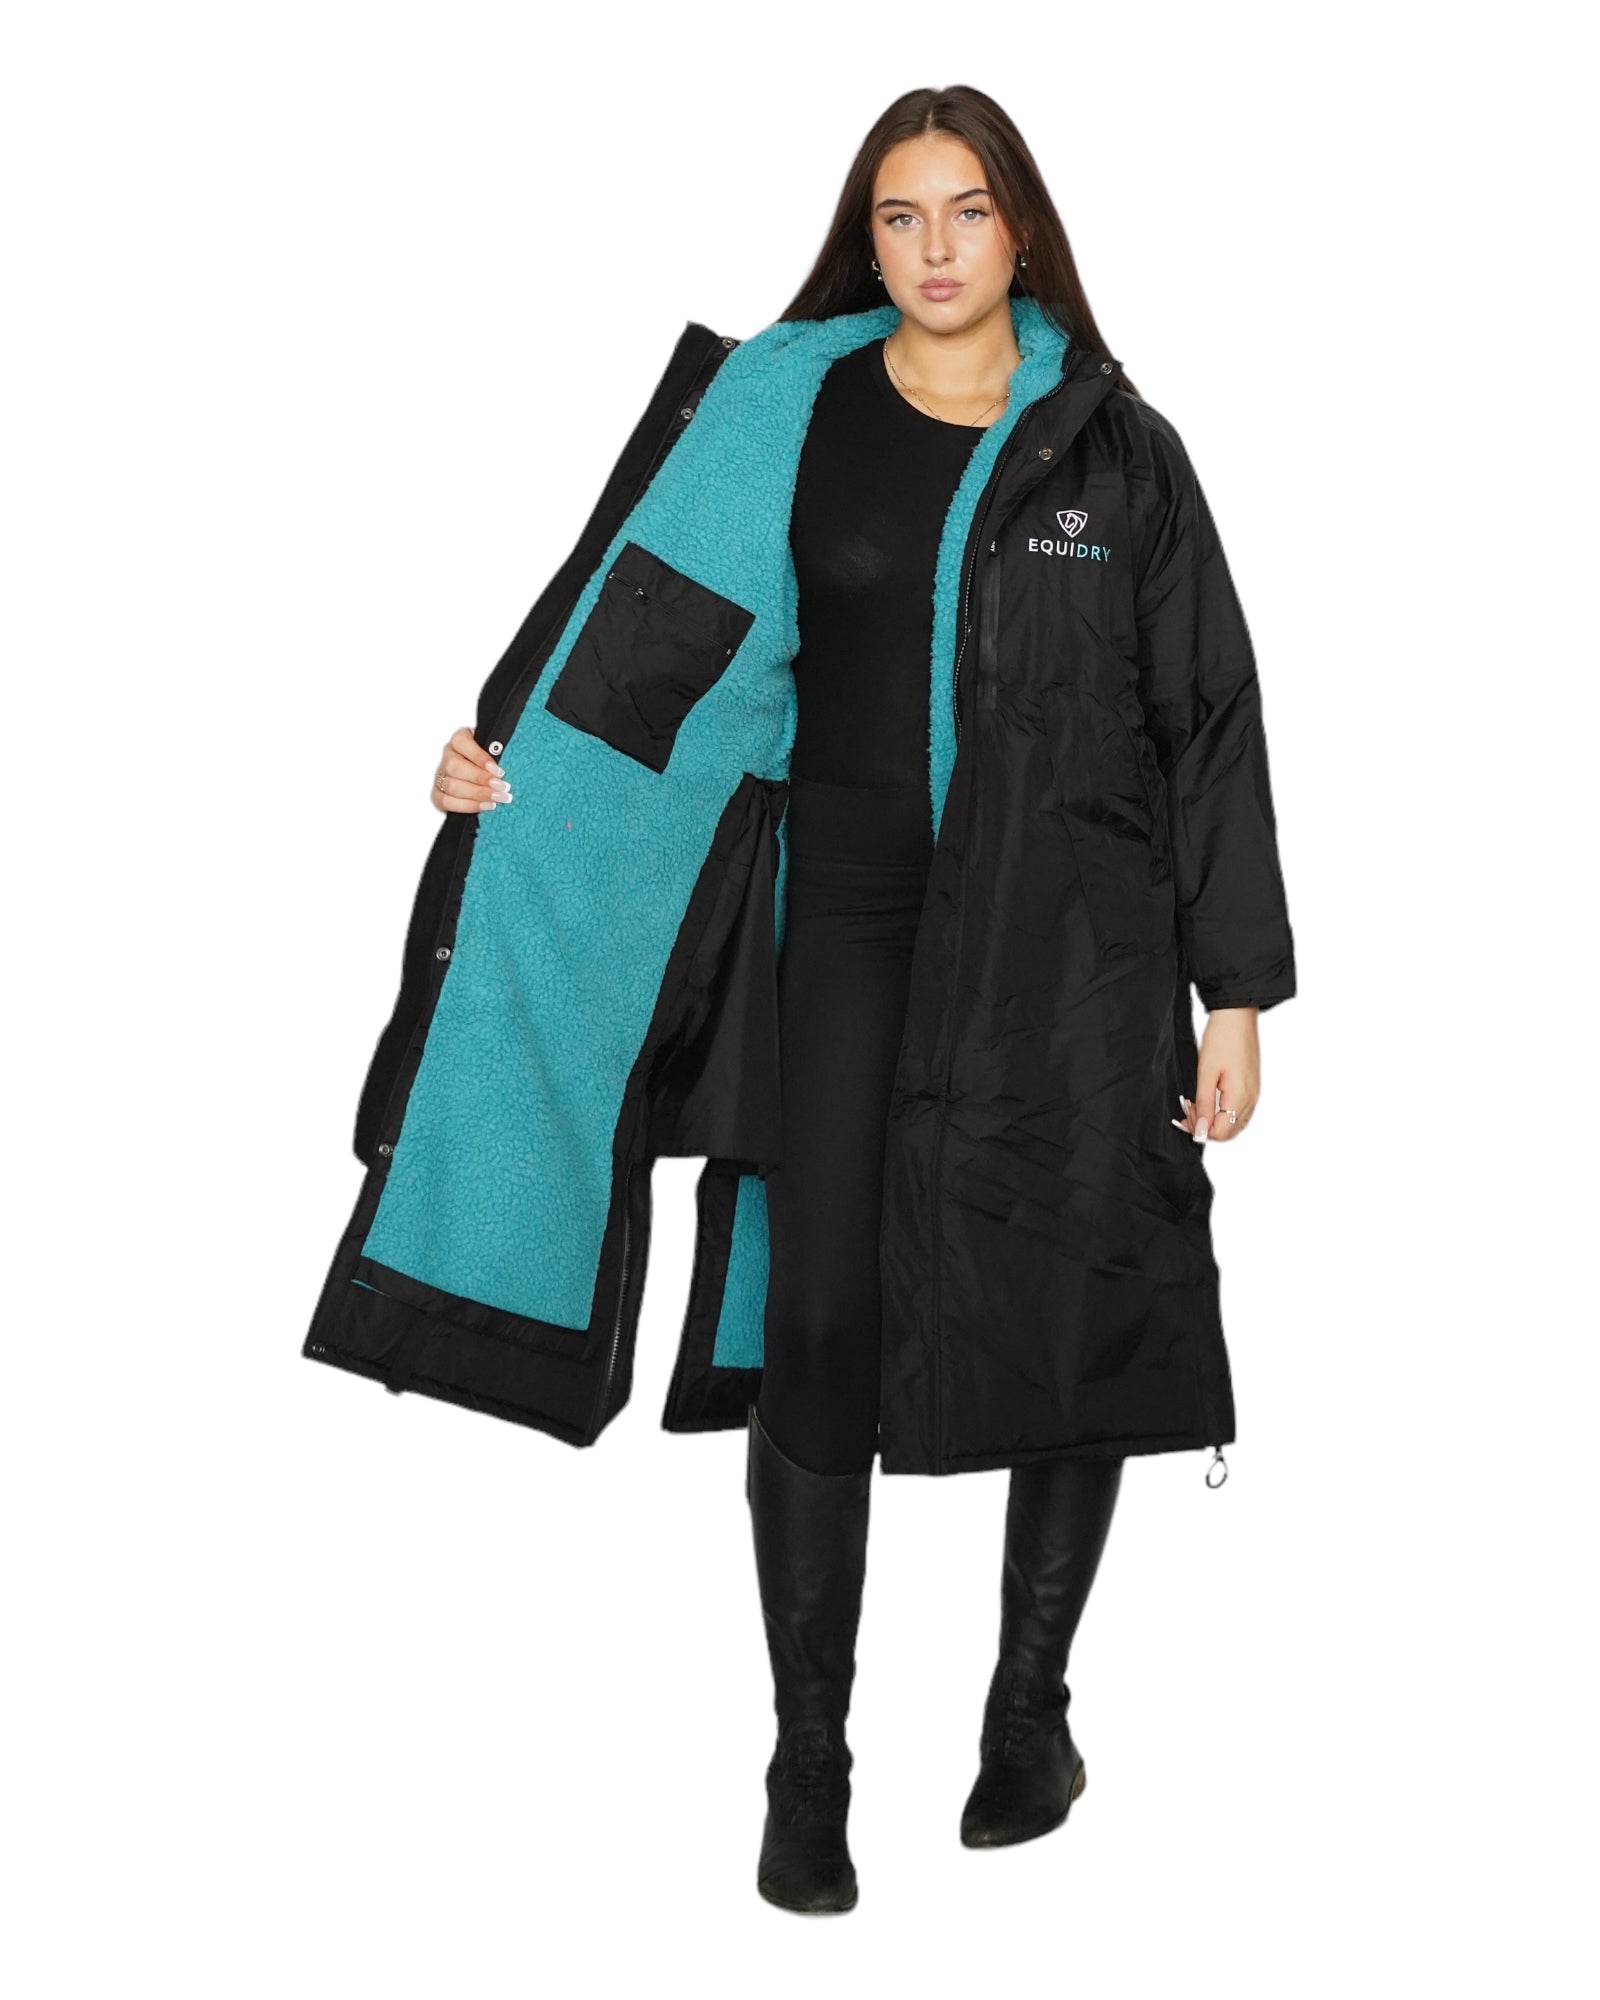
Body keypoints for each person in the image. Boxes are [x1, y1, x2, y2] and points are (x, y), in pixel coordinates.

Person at [383, 87, 1294, 1916]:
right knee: (817, 1311)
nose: (935, 248)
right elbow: (651, 642)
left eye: (967, 212)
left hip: (1073, 942)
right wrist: (512, 764)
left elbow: (1204, 717)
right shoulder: (790, 410)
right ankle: (810, 1762)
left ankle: (1030, 1715)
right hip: (847, 922)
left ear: (1020, 230)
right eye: (900, 216)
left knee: (1074, 1287)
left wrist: (1238, 991)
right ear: (865, 238)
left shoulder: (1119, 452)